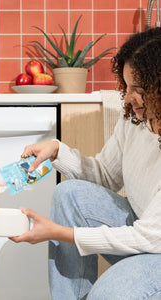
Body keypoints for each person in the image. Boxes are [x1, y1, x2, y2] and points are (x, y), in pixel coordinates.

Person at [10, 27, 161, 300]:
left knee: (109, 292)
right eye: (126, 87)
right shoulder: (137, 120)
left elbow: (149, 238)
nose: (127, 98)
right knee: (69, 194)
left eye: (138, 90)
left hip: (156, 244)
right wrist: (57, 151)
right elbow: (104, 175)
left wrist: (60, 233)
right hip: (146, 230)